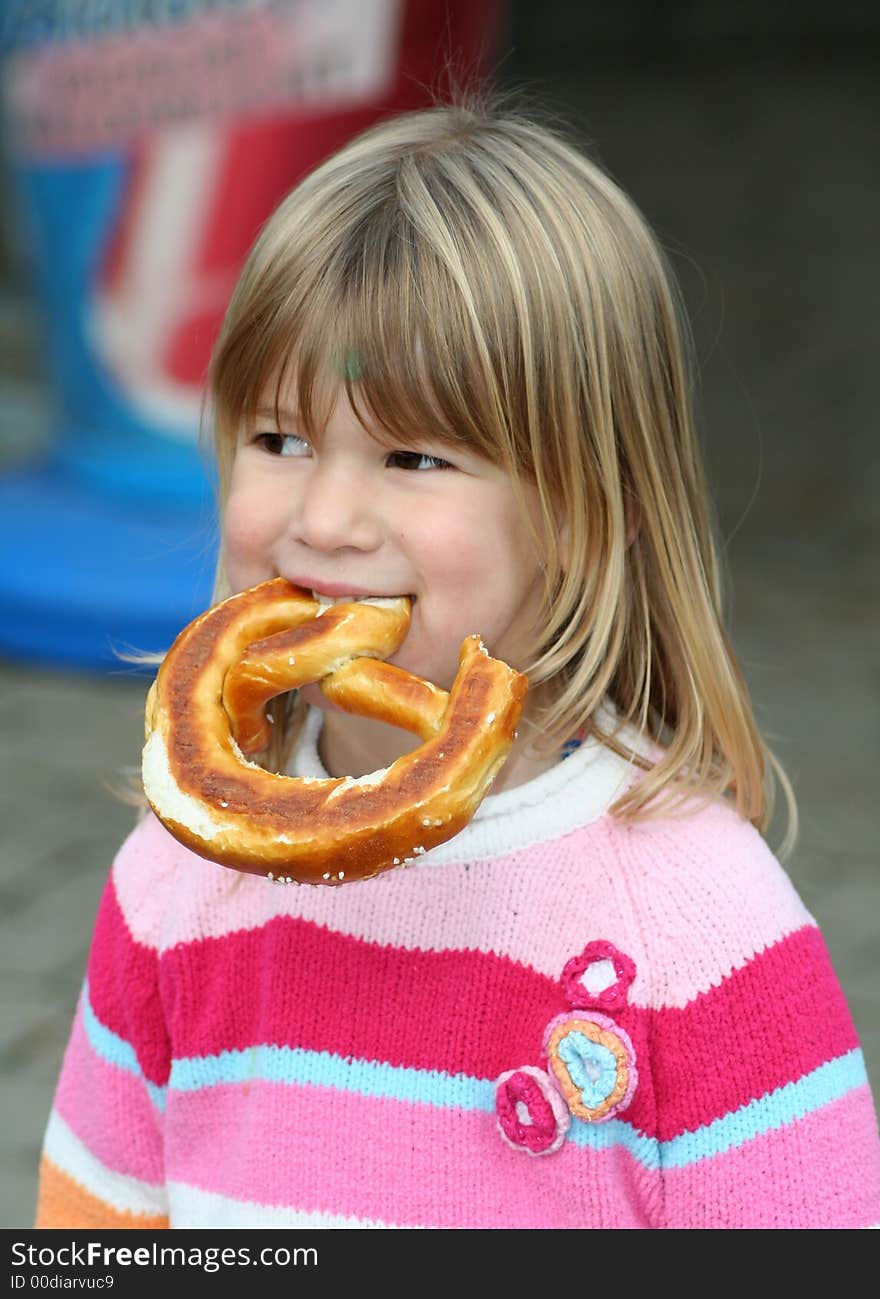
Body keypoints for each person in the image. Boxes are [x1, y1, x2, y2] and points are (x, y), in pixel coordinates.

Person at [35, 96, 880, 1230]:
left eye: (413, 455)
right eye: (280, 439)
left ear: (589, 514)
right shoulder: (178, 879)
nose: (326, 518)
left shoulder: (695, 929)